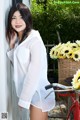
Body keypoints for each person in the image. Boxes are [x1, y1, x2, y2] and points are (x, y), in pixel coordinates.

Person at [6, 3, 55, 120]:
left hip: (37, 92)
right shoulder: (22, 40)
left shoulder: (34, 40)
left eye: (21, 17)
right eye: (14, 18)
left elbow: (33, 73)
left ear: (27, 19)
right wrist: (13, 46)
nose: (17, 21)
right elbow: (20, 65)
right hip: (34, 93)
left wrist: (24, 99)